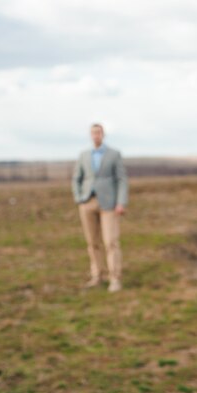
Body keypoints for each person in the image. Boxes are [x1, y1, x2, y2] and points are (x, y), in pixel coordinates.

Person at [72, 123, 128, 293]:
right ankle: (97, 275)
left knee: (111, 241)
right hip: (88, 202)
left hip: (109, 204)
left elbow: (121, 179)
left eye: (99, 132)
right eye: (93, 133)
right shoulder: (83, 155)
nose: (96, 135)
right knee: (92, 242)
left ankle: (115, 278)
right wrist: (79, 198)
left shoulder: (114, 154)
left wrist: (121, 202)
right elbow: (76, 178)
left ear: (103, 134)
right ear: (90, 135)